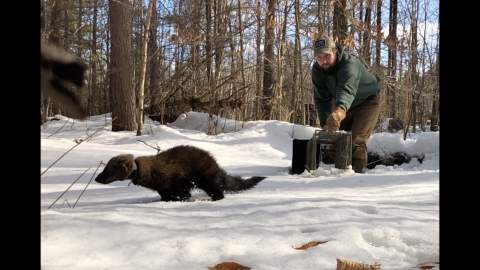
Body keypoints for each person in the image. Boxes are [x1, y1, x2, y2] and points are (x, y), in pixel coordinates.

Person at [311, 35, 381, 173]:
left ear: (335, 52)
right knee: (336, 142)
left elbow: (347, 90)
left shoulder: (349, 65)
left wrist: (340, 110)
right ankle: (339, 177)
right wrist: (326, 122)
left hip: (367, 101)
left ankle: (357, 179)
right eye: (319, 57)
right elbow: (321, 99)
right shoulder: (317, 70)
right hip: (344, 106)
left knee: (356, 141)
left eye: (327, 56)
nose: (323, 61)